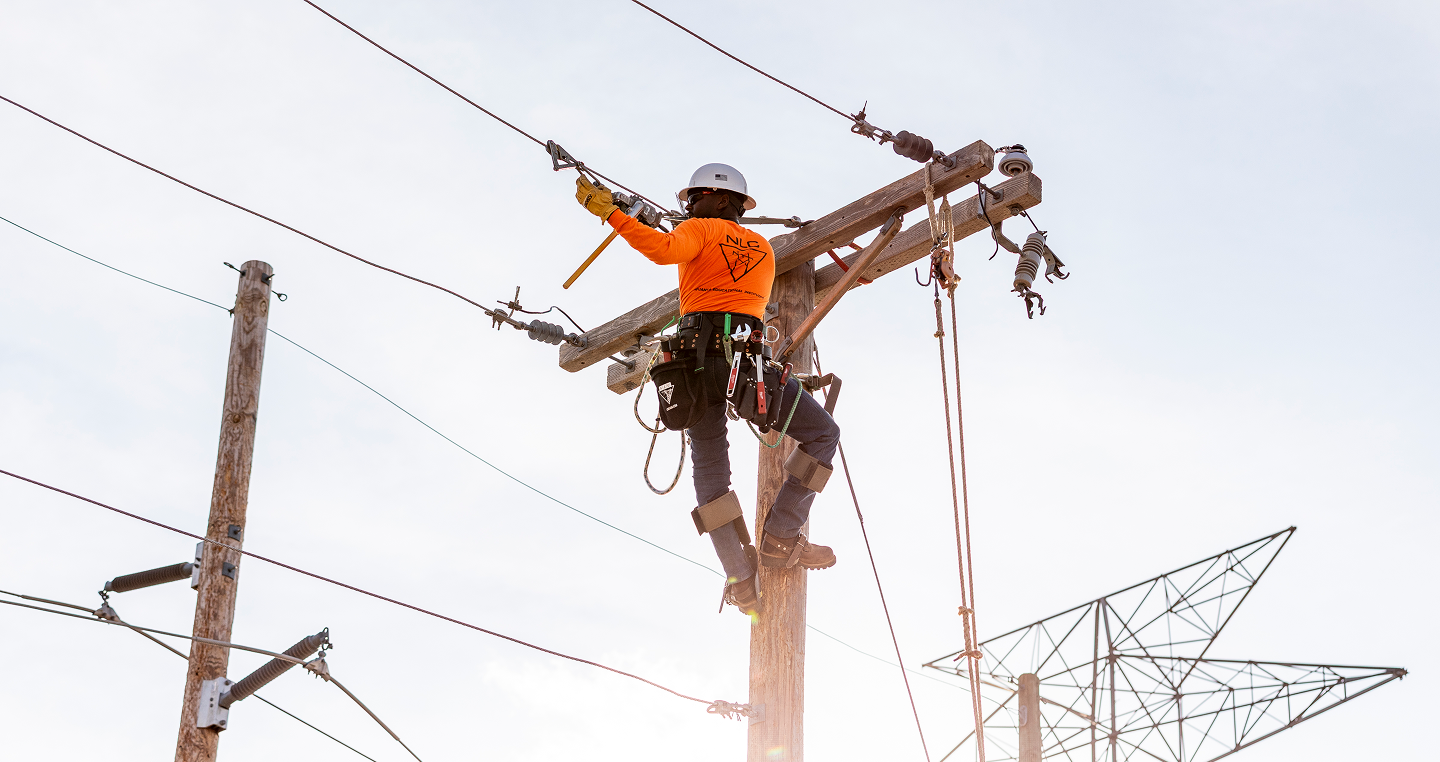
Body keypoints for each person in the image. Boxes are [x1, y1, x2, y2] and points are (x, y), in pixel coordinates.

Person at [574, 164, 841, 618]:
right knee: (822, 434)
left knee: (711, 471)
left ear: (720, 199)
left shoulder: (699, 229)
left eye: (695, 199)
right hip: (748, 368)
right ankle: (781, 537)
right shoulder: (762, 247)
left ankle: (740, 576)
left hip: (696, 365)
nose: (689, 207)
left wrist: (613, 214)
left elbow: (663, 249)